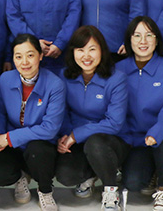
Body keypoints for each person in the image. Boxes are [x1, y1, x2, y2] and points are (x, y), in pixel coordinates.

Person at [115, 16, 163, 211]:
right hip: (138, 140)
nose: (143, 41)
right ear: (129, 40)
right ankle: (156, 169)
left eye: (149, 35)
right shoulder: (118, 70)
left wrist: (158, 130)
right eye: (137, 35)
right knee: (133, 182)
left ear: (157, 40)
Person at [0, 34, 66, 211]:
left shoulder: (55, 85)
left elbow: (50, 128)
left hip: (40, 142)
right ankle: (20, 176)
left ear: (40, 56)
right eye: (18, 56)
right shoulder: (5, 79)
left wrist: (9, 137)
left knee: (38, 151)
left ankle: (45, 190)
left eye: (30, 55)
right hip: (12, 142)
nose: (24, 62)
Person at [55, 26, 128, 211]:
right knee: (66, 176)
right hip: (78, 139)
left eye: (92, 49)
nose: (86, 56)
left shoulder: (116, 78)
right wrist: (66, 136)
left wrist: (76, 135)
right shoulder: (64, 76)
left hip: (109, 140)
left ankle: (111, 190)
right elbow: (62, 112)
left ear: (102, 51)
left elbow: (114, 123)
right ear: (73, 52)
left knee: (95, 144)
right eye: (80, 50)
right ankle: (94, 173)